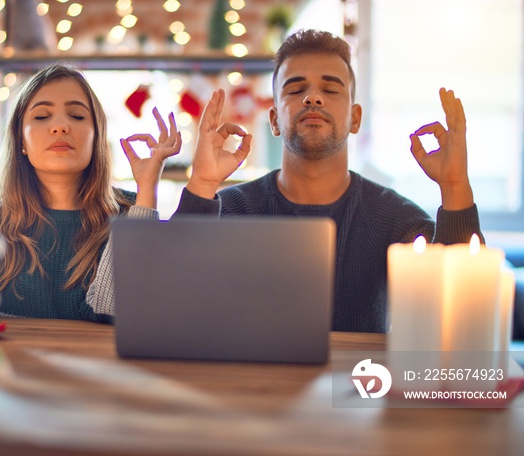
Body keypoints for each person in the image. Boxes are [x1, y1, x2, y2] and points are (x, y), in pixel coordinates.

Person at [174, 29, 483, 333]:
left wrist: (455, 186)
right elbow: (172, 296)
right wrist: (201, 184)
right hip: (251, 382)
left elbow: (462, 315)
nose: (312, 98)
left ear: (355, 118)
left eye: (331, 89)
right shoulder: (231, 210)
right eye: (295, 90)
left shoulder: (398, 219)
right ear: (274, 121)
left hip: (359, 383)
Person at [0, 64, 181, 322]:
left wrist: (147, 190)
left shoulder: (132, 212)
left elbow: (118, 312)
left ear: (97, 136)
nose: (60, 126)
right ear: (21, 140)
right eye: (41, 117)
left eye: (77, 116)